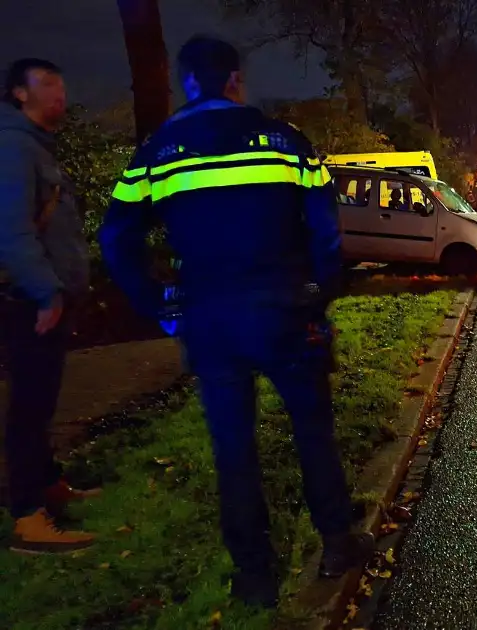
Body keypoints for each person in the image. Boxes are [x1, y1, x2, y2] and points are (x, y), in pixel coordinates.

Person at [98, 35, 372, 607]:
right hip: (285, 312)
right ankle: (338, 541)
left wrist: (157, 303)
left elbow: (116, 235)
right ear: (234, 80)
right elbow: (326, 228)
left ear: (188, 82)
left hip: (211, 320)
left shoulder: (158, 150)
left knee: (233, 449)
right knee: (313, 431)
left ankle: (254, 577)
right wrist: (319, 291)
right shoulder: (284, 142)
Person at [0, 58, 98, 554]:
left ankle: (47, 484)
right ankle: (27, 515)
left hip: (45, 296)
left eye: (61, 81)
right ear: (19, 93)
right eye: (46, 83)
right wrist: (46, 291)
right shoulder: (15, 147)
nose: (59, 92)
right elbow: (12, 231)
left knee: (41, 400)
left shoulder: (36, 146)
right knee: (28, 406)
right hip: (28, 301)